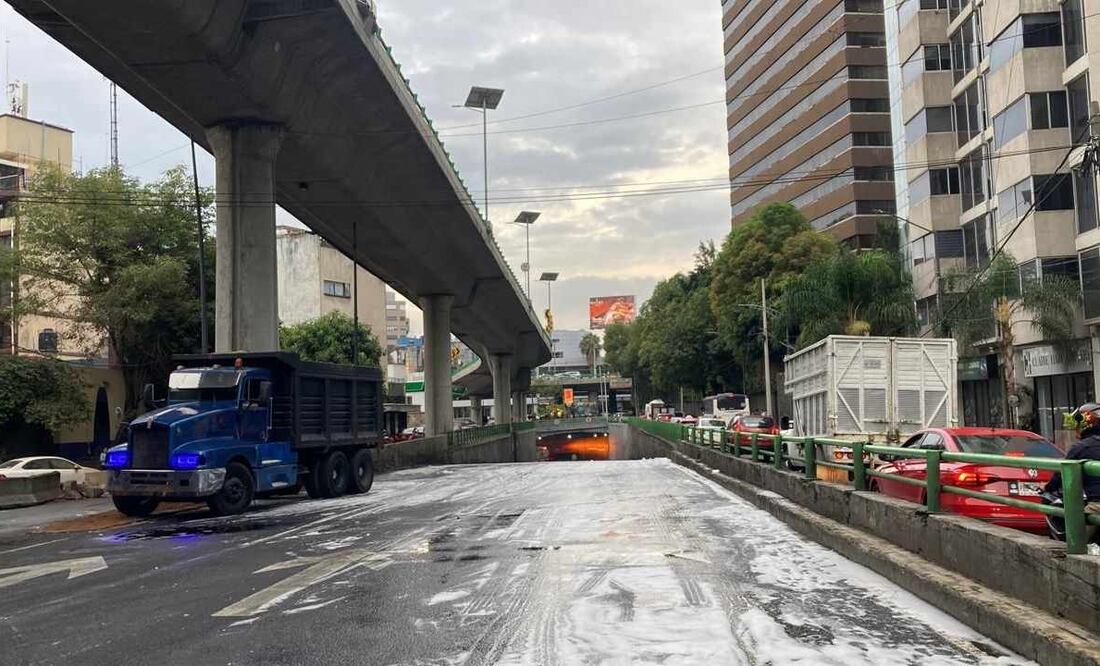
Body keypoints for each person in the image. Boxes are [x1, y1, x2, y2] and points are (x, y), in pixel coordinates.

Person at [1045, 402, 1100, 543]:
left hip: (1097, 506)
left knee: (1076, 542)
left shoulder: (1081, 448)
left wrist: (1047, 488)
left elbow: (1061, 475)